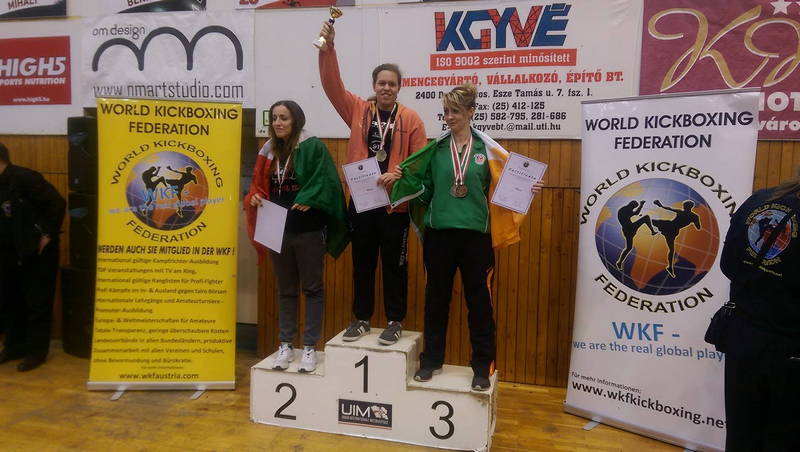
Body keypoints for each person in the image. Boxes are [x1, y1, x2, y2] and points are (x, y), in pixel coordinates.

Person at [389, 84, 543, 391]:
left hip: (476, 238)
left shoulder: (487, 150)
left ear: (471, 112)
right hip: (439, 236)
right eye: (446, 111)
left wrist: (528, 188)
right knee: (436, 302)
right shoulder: (436, 150)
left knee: (480, 305)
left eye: (456, 111)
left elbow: (505, 187)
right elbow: (424, 192)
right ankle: (431, 361)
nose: (449, 117)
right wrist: (402, 181)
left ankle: (482, 367)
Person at [318, 21, 428, 345]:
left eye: (392, 84)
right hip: (363, 203)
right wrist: (328, 49)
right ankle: (362, 319)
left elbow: (420, 163)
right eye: (382, 83)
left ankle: (394, 321)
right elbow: (332, 86)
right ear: (374, 85)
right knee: (362, 264)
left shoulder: (411, 119)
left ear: (399, 88)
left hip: (395, 206)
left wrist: (399, 173)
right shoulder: (358, 110)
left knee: (395, 266)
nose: (386, 88)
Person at [244, 101, 349, 373]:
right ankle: (286, 344)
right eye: (275, 118)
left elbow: (326, 181)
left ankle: (310, 346)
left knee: (312, 289)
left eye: (284, 118)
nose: (278, 123)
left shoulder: (312, 146)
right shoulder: (268, 151)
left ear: (296, 120)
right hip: (277, 230)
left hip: (308, 230)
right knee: (286, 289)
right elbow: (258, 186)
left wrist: (310, 197)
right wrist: (254, 197)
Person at [720, 178, 800, 452]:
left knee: (741, 433)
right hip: (789, 348)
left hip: (742, 337)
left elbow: (728, 265)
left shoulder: (760, 199)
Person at [0, 142, 66, 372]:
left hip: (36, 251)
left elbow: (57, 203)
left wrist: (47, 234)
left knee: (37, 302)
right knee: (10, 300)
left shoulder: (26, 178)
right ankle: (14, 346)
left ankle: (36, 352)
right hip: (8, 252)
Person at [652, 199, 701, 277]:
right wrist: (660, 205)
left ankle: (670, 266)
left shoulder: (692, 215)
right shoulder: (693, 216)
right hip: (670, 227)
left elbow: (698, 227)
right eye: (684, 206)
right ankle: (670, 266)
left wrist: (660, 205)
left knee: (671, 249)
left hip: (671, 229)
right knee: (650, 220)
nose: (684, 207)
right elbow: (698, 227)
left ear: (688, 207)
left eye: (685, 206)